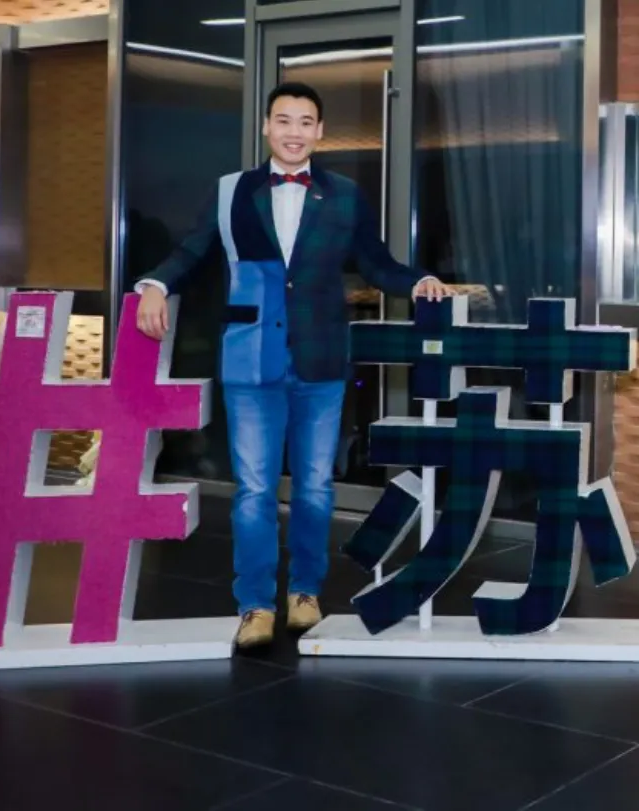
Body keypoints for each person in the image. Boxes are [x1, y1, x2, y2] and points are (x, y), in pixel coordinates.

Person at [133, 82, 451, 649]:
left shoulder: (346, 195)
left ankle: (304, 592)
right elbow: (192, 250)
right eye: (284, 120)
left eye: (306, 121)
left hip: (322, 358)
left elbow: (376, 263)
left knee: (314, 488)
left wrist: (418, 280)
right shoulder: (232, 190)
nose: (295, 132)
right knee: (254, 489)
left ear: (320, 131)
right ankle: (254, 603)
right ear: (266, 126)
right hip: (250, 358)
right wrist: (155, 283)